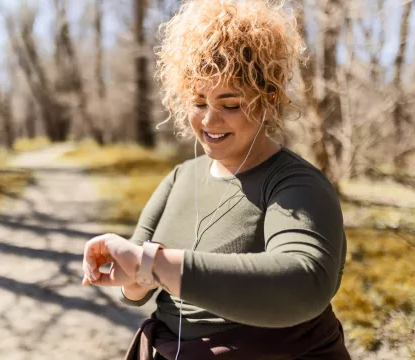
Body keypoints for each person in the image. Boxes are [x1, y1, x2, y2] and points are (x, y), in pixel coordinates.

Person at [81, 0, 351, 359]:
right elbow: (137, 288)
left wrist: (154, 266)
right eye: (198, 101)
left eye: (231, 103)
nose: (209, 120)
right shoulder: (180, 178)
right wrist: (129, 274)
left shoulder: (297, 186)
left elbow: (304, 283)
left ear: (268, 99)